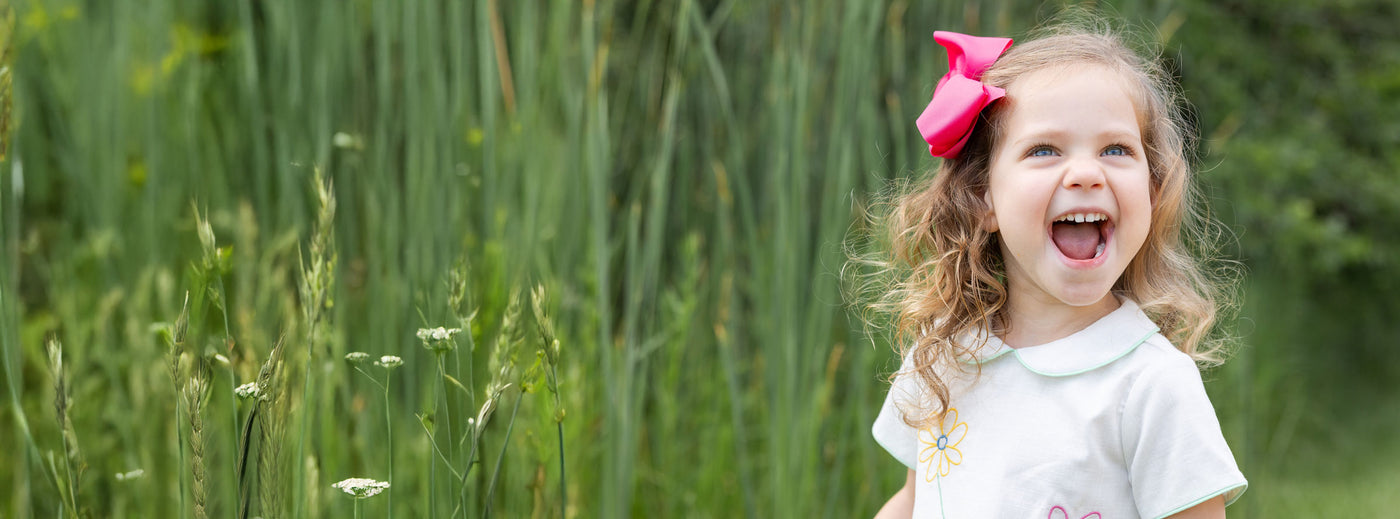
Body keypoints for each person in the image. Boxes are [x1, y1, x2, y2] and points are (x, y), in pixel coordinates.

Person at [867, 20, 1247, 519]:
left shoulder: (1150, 385)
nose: (1088, 174)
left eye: (1116, 150)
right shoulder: (944, 353)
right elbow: (915, 500)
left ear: (1152, 193)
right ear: (984, 198)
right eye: (1044, 150)